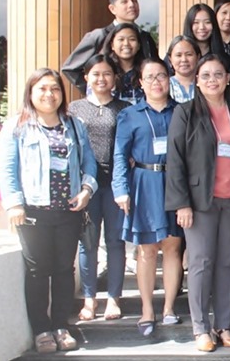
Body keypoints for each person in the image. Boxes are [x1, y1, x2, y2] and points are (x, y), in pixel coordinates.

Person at [0, 68, 97, 354]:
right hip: (32, 212)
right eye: (42, 88)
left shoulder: (74, 125)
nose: (49, 94)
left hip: (68, 211)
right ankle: (42, 330)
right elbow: (5, 168)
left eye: (54, 89)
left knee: (65, 269)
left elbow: (89, 164)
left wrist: (87, 190)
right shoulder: (17, 126)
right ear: (31, 92)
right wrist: (14, 202)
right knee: (38, 271)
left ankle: (61, 326)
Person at [166, 54, 230, 352]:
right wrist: (181, 203)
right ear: (197, 81)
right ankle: (200, 328)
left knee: (226, 263)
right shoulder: (186, 113)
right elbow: (175, 161)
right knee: (200, 263)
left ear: (228, 78)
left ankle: (223, 325)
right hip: (200, 202)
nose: (212, 80)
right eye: (205, 75)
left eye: (218, 74)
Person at [112, 59, 184, 337]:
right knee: (147, 250)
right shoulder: (130, 115)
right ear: (140, 82)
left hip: (174, 183)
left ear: (170, 79)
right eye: (150, 77)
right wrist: (121, 189)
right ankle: (146, 310)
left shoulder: (181, 111)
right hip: (143, 182)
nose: (156, 81)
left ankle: (168, 308)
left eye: (162, 76)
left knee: (173, 247)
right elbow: (119, 154)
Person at [69, 55, 131, 323]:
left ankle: (114, 299)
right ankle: (89, 299)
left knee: (116, 243)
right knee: (88, 244)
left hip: (115, 183)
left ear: (114, 77)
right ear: (86, 77)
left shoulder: (124, 108)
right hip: (86, 186)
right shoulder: (74, 109)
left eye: (107, 74)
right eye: (95, 74)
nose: (101, 79)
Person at [61, 0, 160, 88]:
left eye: (134, 0)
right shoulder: (99, 36)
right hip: (108, 101)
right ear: (112, 9)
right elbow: (71, 68)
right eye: (124, 1)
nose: (131, 5)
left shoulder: (145, 37)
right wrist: (95, 90)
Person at [100, 23, 146, 104]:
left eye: (132, 39)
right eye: (121, 39)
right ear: (112, 45)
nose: (126, 44)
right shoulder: (102, 71)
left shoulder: (146, 71)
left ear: (139, 45)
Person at [165, 35, 202, 103]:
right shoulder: (164, 85)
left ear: (198, 57)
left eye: (189, 54)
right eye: (178, 55)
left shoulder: (206, 84)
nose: (184, 59)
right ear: (170, 60)